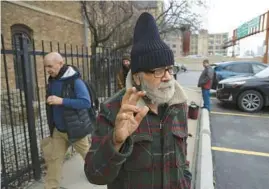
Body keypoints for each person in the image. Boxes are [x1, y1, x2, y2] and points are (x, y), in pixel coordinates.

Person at [84, 12, 192, 189]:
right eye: (158, 71)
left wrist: (186, 181)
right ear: (137, 77)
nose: (166, 77)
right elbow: (94, 175)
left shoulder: (178, 104)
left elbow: (183, 157)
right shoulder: (114, 109)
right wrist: (116, 142)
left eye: (169, 69)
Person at [43, 52, 91, 189]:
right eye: (46, 66)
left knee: (89, 157)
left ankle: (98, 174)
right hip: (59, 129)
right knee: (54, 160)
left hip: (75, 129)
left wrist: (61, 101)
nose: (48, 70)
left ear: (61, 63)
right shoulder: (52, 80)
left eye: (50, 66)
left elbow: (85, 102)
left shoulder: (75, 81)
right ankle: (51, 186)